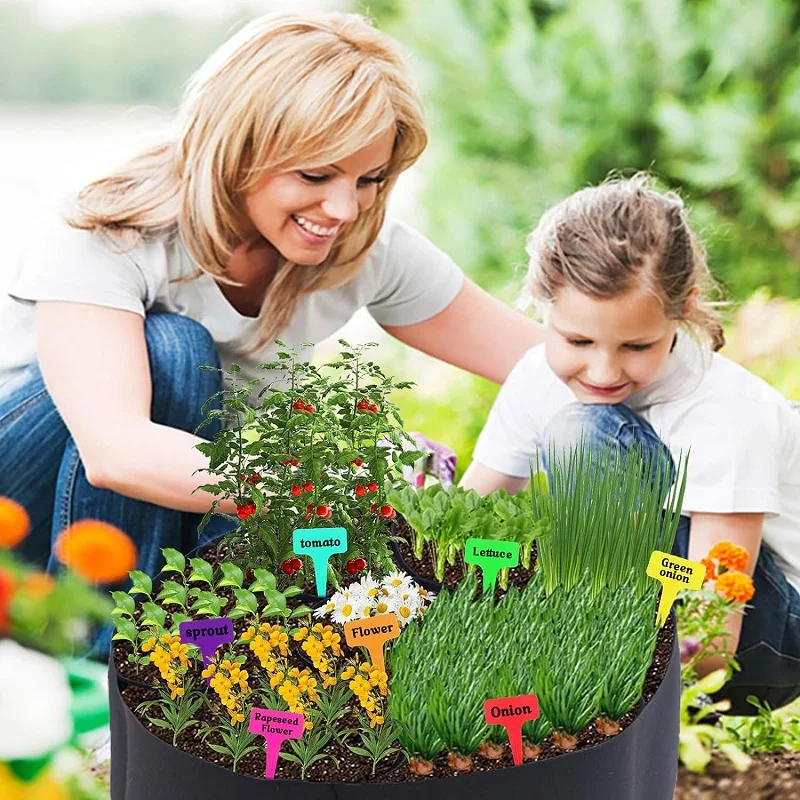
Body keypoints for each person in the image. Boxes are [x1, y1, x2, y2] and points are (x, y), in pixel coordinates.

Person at [0, 10, 541, 654]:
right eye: (316, 175)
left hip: (162, 523)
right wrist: (340, 487)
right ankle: (101, 664)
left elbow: (552, 363)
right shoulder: (113, 228)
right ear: (239, 149)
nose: (343, 208)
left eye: (368, 180)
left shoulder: (364, 248)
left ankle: (171, 667)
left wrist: (674, 365)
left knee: (323, 571)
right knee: (174, 349)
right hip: (25, 509)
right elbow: (118, 452)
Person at [461, 174, 800, 714]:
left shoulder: (728, 412)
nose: (602, 370)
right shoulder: (536, 377)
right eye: (577, 340)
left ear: (683, 308)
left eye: (636, 345)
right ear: (539, 303)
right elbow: (464, 520)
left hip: (761, 639)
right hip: (643, 609)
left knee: (584, 433)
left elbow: (712, 644)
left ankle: (588, 671)